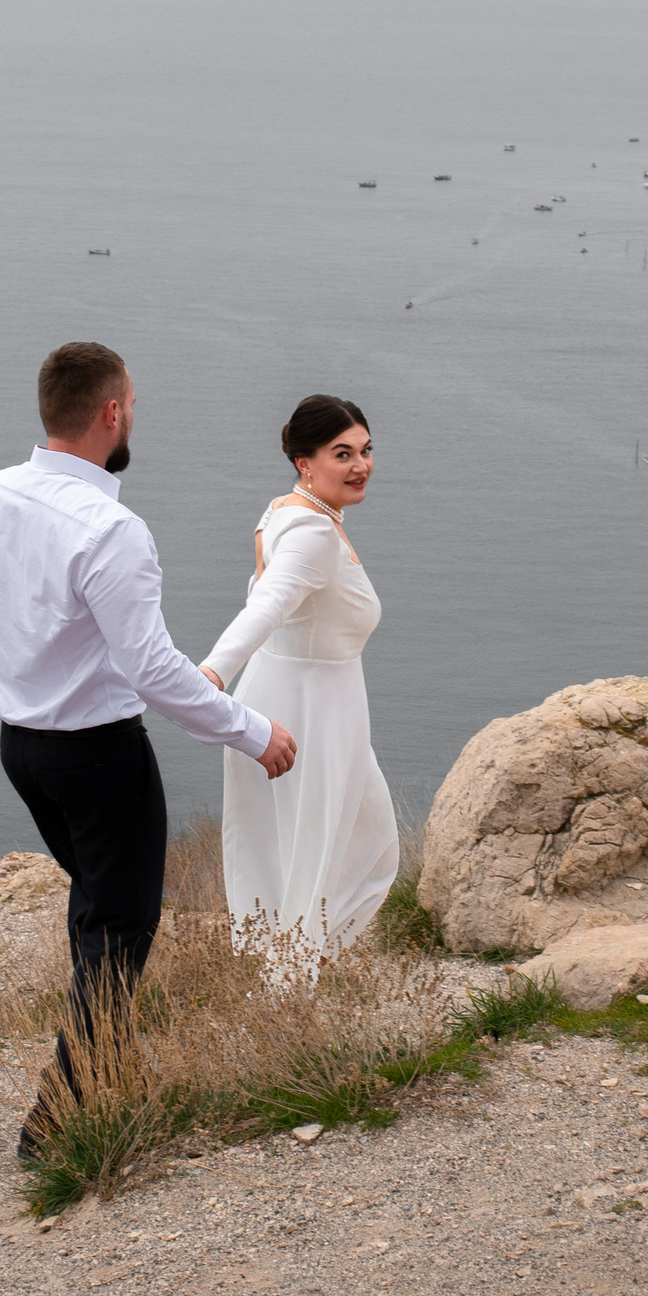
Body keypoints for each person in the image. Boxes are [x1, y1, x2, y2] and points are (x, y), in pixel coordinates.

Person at [0, 341, 297, 1161]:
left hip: (21, 747)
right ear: (111, 411)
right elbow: (150, 669)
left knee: (97, 911)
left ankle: (115, 1071)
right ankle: (59, 1119)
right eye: (133, 403)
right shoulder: (111, 529)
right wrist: (253, 732)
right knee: (123, 925)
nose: (134, 415)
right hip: (99, 755)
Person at [200, 394, 399, 959]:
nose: (360, 465)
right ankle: (289, 989)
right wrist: (211, 673)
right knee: (325, 851)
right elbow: (266, 605)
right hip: (310, 708)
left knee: (300, 848)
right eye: (342, 454)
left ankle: (287, 972)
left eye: (365, 450)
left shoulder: (287, 510)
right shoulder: (313, 532)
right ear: (304, 462)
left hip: (297, 695)